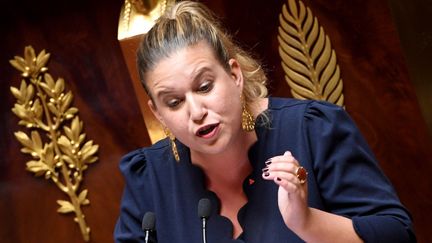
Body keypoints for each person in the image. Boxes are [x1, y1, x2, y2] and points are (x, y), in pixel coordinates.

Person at [114, 1, 416, 242]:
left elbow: (397, 234)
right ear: (157, 112)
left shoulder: (313, 130)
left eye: (205, 87)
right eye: (174, 102)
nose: (196, 111)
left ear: (234, 75)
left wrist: (306, 223)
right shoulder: (147, 180)